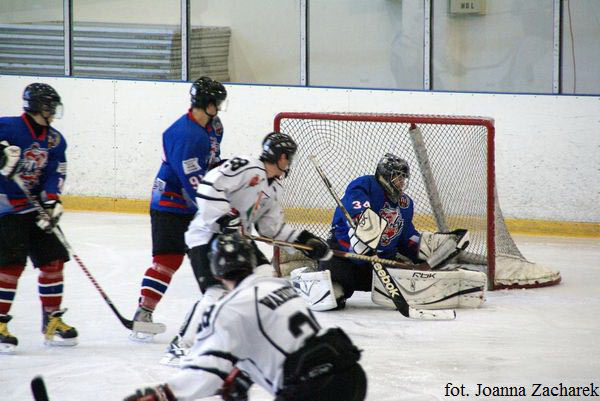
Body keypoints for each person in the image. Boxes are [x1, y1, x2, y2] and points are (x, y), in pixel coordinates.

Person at [124, 232, 367, 401]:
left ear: (217, 272)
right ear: (251, 262)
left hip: (314, 389)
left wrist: (164, 393)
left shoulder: (229, 307)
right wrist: (243, 374)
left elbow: (208, 372)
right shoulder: (279, 287)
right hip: (350, 374)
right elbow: (278, 342)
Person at [160, 131, 332, 365]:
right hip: (208, 235)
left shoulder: (274, 188)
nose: (290, 162)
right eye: (288, 156)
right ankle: (181, 345)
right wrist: (222, 218)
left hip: (237, 241)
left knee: (265, 279)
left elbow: (271, 228)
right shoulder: (249, 166)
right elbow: (209, 185)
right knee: (216, 292)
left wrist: (305, 241)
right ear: (279, 156)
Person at [291, 153, 484, 311]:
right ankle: (314, 279)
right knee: (334, 296)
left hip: (379, 266)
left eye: (403, 177)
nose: (401, 182)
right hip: (345, 258)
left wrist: (425, 247)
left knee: (411, 284)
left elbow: (405, 236)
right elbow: (356, 210)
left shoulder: (405, 204)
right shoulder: (364, 185)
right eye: (397, 176)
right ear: (385, 175)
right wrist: (365, 231)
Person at [131, 76, 227, 341]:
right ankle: (144, 313)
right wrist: (215, 209)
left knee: (214, 256)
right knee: (167, 260)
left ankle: (220, 313)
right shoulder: (184, 134)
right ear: (206, 103)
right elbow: (192, 182)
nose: (219, 107)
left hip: (193, 199)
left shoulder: (214, 126)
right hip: (169, 203)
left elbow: (212, 164)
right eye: (216, 102)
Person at [0, 83, 77, 353]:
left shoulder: (55, 139)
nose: (54, 112)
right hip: (5, 208)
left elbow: (57, 172)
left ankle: (51, 321)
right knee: (10, 265)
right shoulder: (7, 128)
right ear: (38, 107)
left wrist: (52, 200)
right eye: (50, 107)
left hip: (35, 208)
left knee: (53, 260)